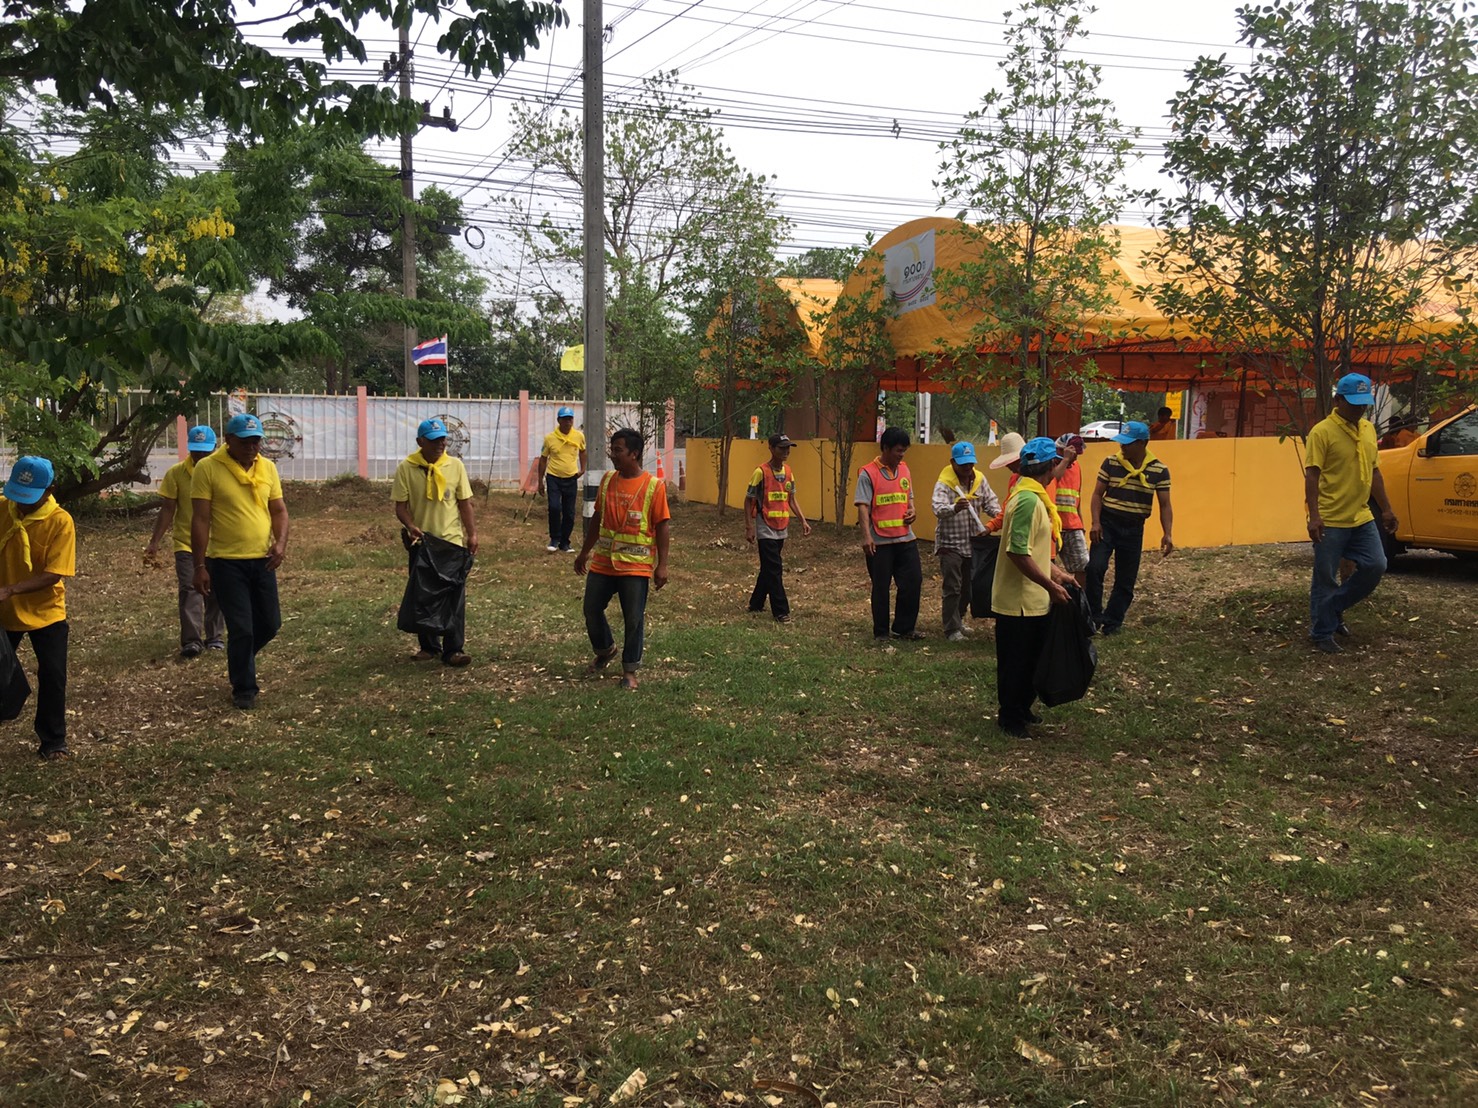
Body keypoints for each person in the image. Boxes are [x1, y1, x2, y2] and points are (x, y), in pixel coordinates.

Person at [191, 413, 289, 710]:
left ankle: (240, 656)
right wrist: (199, 566)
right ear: (228, 440)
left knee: (270, 624)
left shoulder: (267, 467)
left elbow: (279, 511)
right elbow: (201, 519)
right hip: (226, 561)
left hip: (262, 560)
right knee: (242, 627)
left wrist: (280, 543)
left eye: (256, 441)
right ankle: (244, 688)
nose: (252, 447)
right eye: (245, 441)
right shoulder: (208, 468)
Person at [1305, 373, 1398, 654]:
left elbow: (1374, 472)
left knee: (1376, 565)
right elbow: (1312, 475)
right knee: (1325, 577)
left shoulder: (1368, 429)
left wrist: (1386, 508)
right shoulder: (1321, 432)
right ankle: (1322, 632)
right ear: (1338, 400)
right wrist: (1314, 515)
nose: (1360, 409)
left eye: (1364, 404)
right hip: (1331, 518)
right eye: (1354, 404)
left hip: (1361, 516)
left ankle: (1332, 608)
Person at [991, 438, 1076, 739]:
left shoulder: (1033, 496)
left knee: (1031, 658)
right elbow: (1017, 553)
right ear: (1051, 465)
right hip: (1019, 600)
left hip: (1032, 597)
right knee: (1016, 661)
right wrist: (1050, 585)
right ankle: (1010, 717)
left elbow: (1033, 550)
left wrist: (1058, 573)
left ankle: (1022, 708)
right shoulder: (1027, 501)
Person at [574, 428, 671, 690]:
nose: (612, 455)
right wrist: (584, 551)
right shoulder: (608, 480)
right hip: (603, 562)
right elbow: (598, 517)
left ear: (634, 454)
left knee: (633, 619)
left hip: (635, 566)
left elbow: (662, 525)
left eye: (618, 450)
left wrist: (662, 566)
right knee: (591, 609)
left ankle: (630, 671)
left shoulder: (653, 486)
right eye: (612, 449)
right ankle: (605, 649)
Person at [0, 457, 75, 759]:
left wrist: (11, 589)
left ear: (49, 490)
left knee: (53, 675)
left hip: (46, 611)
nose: (22, 504)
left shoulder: (60, 522)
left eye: (29, 498)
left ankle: (53, 740)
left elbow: (53, 573)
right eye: (17, 495)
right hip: (5, 611)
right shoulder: (3, 508)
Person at [393, 418, 478, 666]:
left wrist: (472, 534)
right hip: (422, 544)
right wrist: (410, 526)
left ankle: (454, 649)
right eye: (434, 440)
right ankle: (429, 646)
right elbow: (400, 507)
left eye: (443, 439)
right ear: (420, 442)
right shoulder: (407, 468)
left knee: (454, 596)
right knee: (423, 594)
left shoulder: (455, 466)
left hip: (451, 542)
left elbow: (464, 504)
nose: (440, 444)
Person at [1086, 420, 1173, 635]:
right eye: (1121, 443)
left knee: (1126, 580)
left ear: (1142, 443)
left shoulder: (1159, 470)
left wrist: (1167, 533)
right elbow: (1097, 494)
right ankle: (1092, 617)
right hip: (1107, 524)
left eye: (1127, 443)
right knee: (1094, 568)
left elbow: (1165, 504)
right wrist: (1096, 522)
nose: (1122, 447)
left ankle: (1113, 622)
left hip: (1134, 529)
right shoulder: (1111, 463)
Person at [145, 425, 225, 658]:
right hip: (186, 543)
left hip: (217, 542)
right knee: (190, 589)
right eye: (196, 451)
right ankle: (192, 640)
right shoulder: (177, 473)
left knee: (216, 589)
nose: (200, 456)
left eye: (205, 451)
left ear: (214, 449)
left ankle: (215, 636)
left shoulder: (221, 472)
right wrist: (154, 542)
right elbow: (168, 509)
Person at [855, 426, 921, 642]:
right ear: (885, 448)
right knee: (881, 588)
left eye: (904, 451)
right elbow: (863, 506)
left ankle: (904, 628)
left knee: (912, 582)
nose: (901, 455)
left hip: (905, 538)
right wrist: (866, 537)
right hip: (880, 542)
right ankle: (881, 632)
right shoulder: (868, 473)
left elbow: (908, 496)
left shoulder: (905, 469)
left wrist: (912, 510)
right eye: (898, 451)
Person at [931, 441, 999, 641]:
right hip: (950, 544)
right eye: (963, 464)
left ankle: (959, 619)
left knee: (968, 587)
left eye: (970, 463)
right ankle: (951, 628)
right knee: (953, 586)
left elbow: (991, 504)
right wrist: (954, 507)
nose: (968, 468)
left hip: (972, 544)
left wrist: (1000, 517)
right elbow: (937, 508)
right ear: (953, 462)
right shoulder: (945, 483)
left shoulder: (979, 480)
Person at [745, 433, 811, 623]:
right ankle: (781, 611)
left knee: (769, 567)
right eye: (782, 448)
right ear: (771, 448)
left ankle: (756, 603)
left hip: (781, 527)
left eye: (788, 448)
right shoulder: (761, 472)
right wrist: (749, 527)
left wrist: (803, 520)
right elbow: (748, 500)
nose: (786, 451)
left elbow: (791, 499)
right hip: (765, 526)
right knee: (775, 568)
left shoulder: (788, 472)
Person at [538, 405, 586, 553]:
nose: (567, 422)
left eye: (570, 419)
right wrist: (540, 481)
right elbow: (543, 459)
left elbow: (583, 451)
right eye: (564, 419)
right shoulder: (550, 438)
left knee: (569, 512)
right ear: (559, 420)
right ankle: (554, 538)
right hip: (554, 477)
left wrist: (583, 469)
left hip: (571, 478)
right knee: (554, 507)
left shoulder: (578, 436)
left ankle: (565, 542)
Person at [1052, 433, 1090, 586]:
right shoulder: (1050, 463)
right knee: (1048, 566)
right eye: (1073, 454)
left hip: (1072, 524)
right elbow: (1053, 479)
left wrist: (1081, 524)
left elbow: (1077, 497)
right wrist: (1065, 460)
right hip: (1052, 525)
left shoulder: (1076, 467)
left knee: (1084, 566)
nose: (1075, 458)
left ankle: (1079, 597)